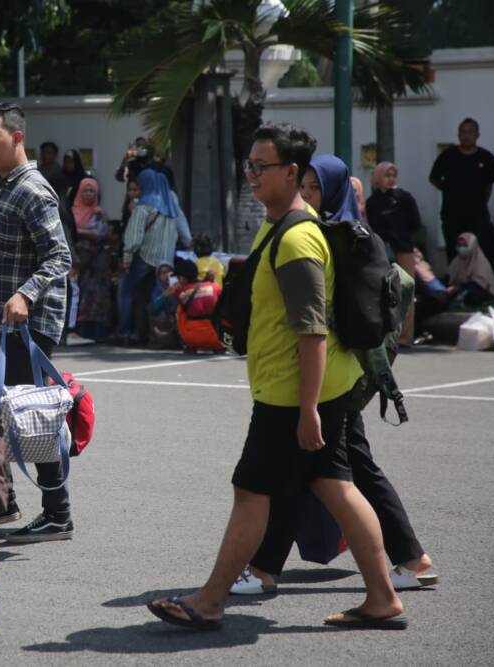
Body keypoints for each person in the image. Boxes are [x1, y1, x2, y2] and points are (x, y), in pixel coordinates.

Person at [148, 123, 406, 631]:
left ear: (292, 172)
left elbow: (310, 331)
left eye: (261, 167)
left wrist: (308, 408)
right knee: (334, 483)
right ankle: (382, 597)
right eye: (249, 165)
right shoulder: (281, 225)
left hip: (292, 395)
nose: (251, 175)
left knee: (251, 490)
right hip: (300, 389)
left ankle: (210, 600)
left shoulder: (298, 239)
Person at [229, 153, 437, 597]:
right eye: (304, 186)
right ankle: (405, 562)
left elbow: (317, 325)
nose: (306, 195)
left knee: (311, 473)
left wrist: (308, 403)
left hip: (330, 380)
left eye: (315, 187)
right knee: (330, 470)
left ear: (337, 189)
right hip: (340, 378)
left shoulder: (330, 238)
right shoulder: (343, 234)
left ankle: (265, 571)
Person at [0, 101, 74, 543]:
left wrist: (24, 294)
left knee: (30, 417)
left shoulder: (32, 189)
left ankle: (56, 513)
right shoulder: (5, 185)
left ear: (17, 138)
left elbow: (60, 256)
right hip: (1, 323)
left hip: (26, 325)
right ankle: (3, 503)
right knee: (2, 413)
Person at [116, 168, 191, 345]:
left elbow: (134, 239)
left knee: (125, 290)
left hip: (143, 257)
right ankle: (162, 335)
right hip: (166, 262)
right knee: (159, 297)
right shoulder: (173, 208)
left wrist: (126, 258)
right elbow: (186, 235)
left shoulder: (143, 207)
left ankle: (126, 332)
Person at [366, 161, 423, 346]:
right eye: (386, 175)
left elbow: (415, 222)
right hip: (382, 251)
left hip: (403, 250)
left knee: (406, 292)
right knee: (384, 293)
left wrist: (401, 236)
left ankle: (406, 336)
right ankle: (385, 336)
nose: (391, 179)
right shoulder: (372, 202)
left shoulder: (403, 197)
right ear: (377, 178)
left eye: (393, 175)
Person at [429, 118, 494, 269]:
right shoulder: (448, 155)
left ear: (477, 135)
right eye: (463, 132)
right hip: (452, 213)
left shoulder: (485, 157)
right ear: (459, 134)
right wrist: (450, 190)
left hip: (478, 214)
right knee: (454, 250)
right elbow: (434, 178)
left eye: (470, 132)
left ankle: (480, 282)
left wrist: (480, 200)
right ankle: (455, 283)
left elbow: (489, 184)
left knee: (481, 248)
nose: (466, 135)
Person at [72, 177, 112, 340]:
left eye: (92, 191)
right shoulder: (72, 211)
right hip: (78, 260)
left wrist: (79, 231)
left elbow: (100, 233)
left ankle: (94, 332)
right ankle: (75, 330)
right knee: (77, 294)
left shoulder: (100, 213)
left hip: (96, 262)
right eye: (86, 190)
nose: (89, 194)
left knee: (94, 296)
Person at [446, 232, 494, 307]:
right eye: (459, 245)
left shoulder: (480, 261)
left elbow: (480, 284)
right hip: (462, 289)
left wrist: (458, 287)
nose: (461, 248)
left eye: (465, 245)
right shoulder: (457, 261)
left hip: (482, 291)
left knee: (473, 294)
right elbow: (449, 277)